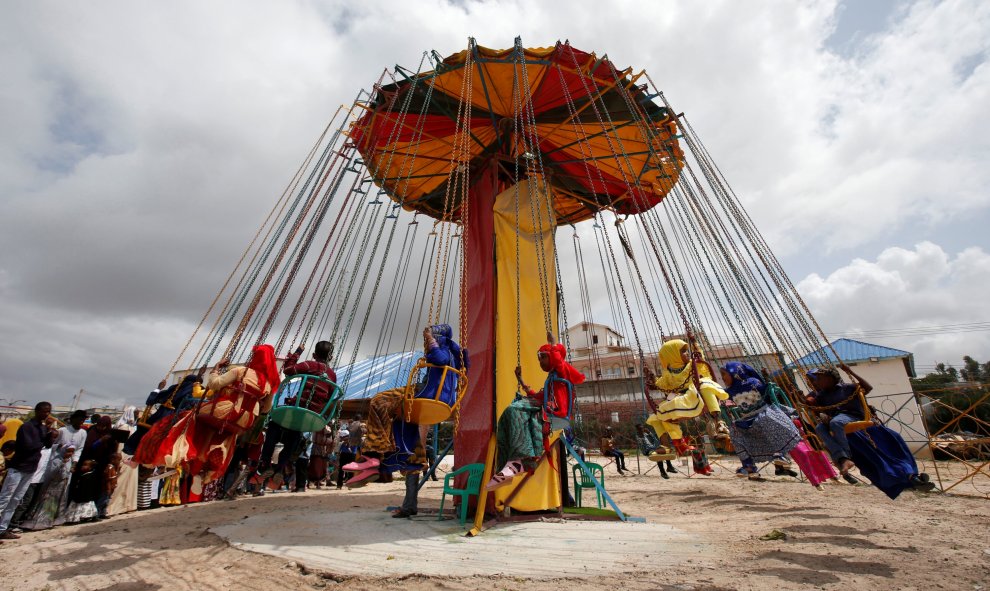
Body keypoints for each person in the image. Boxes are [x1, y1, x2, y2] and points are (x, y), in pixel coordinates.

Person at [348, 325, 467, 493]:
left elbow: (440, 359)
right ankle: (403, 487)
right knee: (402, 422)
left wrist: (431, 340)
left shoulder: (444, 349)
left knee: (379, 401)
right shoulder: (456, 355)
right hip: (442, 401)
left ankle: (374, 453)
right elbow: (462, 364)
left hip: (426, 393)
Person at [806, 365, 935, 498]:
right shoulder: (819, 396)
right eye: (812, 380)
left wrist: (849, 371)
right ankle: (844, 459)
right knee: (873, 463)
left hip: (865, 431)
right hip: (849, 436)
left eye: (817, 379)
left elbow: (866, 388)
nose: (815, 382)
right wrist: (803, 401)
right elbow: (815, 408)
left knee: (886, 457)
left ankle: (913, 479)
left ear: (830, 378)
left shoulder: (848, 388)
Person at [487, 331, 584, 501]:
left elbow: (558, 361)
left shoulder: (563, 371)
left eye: (543, 357)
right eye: (539, 358)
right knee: (505, 418)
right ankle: (506, 467)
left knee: (515, 410)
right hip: (547, 407)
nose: (540, 362)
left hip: (556, 411)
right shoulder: (552, 378)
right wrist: (521, 380)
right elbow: (539, 396)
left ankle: (521, 461)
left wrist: (553, 344)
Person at [256, 341, 337, 488]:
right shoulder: (332, 374)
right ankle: (281, 466)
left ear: (314, 355)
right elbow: (331, 396)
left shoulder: (310, 365)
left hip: (299, 407)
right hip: (313, 413)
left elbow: (287, 369)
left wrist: (298, 352)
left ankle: (265, 462)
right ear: (330, 357)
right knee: (295, 431)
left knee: (274, 424)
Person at [643, 339, 727, 475]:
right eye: (682, 351)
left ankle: (719, 423)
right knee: (656, 417)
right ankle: (669, 444)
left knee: (705, 386)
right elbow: (662, 384)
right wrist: (652, 379)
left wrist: (696, 346)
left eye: (686, 350)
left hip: (693, 396)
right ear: (672, 355)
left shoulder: (691, 365)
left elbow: (701, 362)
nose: (686, 353)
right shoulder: (667, 373)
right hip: (679, 400)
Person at [720, 362, 802, 481]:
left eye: (724, 374)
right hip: (748, 417)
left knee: (764, 420)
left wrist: (767, 379)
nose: (722, 378)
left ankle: (780, 455)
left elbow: (766, 391)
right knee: (734, 430)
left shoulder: (752, 382)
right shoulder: (729, 391)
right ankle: (748, 466)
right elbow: (720, 396)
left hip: (763, 411)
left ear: (734, 373)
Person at [0, 402, 57, 540]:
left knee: (16, 500)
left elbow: (48, 445)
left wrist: (49, 433)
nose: (46, 414)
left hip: (30, 468)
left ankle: (2, 529)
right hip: (19, 467)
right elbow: (28, 446)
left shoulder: (43, 428)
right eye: (44, 411)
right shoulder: (27, 427)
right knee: (5, 498)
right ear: (37, 411)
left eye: (48, 412)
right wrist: (42, 440)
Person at [19, 446, 74, 530]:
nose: (69, 454)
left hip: (61, 487)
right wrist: (62, 464)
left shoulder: (70, 461)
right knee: (46, 503)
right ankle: (39, 522)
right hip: (52, 487)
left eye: (71, 452)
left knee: (55, 505)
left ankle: (50, 521)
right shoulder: (56, 460)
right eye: (68, 451)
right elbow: (52, 473)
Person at [59, 459, 100, 524]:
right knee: (78, 507)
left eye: (85, 465)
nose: (82, 466)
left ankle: (88, 517)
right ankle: (73, 519)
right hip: (79, 496)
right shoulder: (82, 475)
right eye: (83, 465)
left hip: (85, 496)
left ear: (90, 468)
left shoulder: (89, 476)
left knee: (86, 507)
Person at [97, 452, 122, 518]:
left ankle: (103, 513)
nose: (119, 462)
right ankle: (97, 514)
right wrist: (108, 488)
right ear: (112, 460)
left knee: (106, 502)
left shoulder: (114, 468)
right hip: (106, 489)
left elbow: (116, 475)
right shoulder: (109, 468)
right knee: (102, 501)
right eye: (118, 460)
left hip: (111, 488)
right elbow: (107, 480)